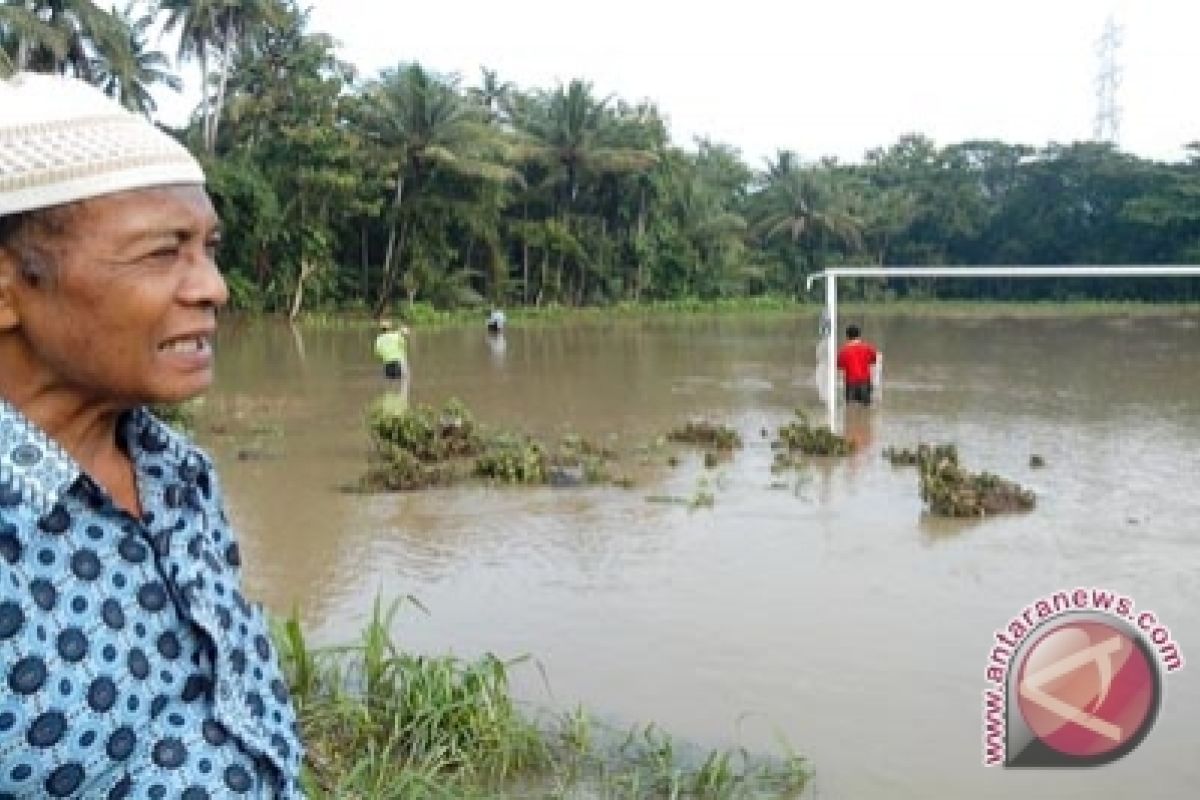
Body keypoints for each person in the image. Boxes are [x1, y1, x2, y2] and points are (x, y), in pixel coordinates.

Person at [0, 73, 303, 797]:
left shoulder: (178, 472)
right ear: (7, 288)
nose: (214, 288)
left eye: (207, 247)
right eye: (162, 253)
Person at [836, 323, 880, 406]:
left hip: (851, 384)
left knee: (851, 409)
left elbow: (839, 367)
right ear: (859, 335)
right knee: (866, 409)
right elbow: (875, 361)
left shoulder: (844, 351)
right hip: (865, 383)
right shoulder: (868, 348)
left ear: (847, 336)